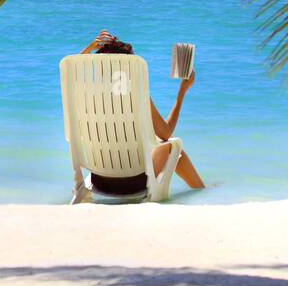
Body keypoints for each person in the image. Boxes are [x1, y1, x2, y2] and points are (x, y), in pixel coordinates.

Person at [79, 30, 205, 196]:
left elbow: (73, 72)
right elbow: (166, 133)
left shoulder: (85, 94)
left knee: (168, 148)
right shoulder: (138, 93)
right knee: (174, 148)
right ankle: (204, 193)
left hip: (100, 181)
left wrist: (88, 49)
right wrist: (182, 93)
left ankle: (203, 191)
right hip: (134, 183)